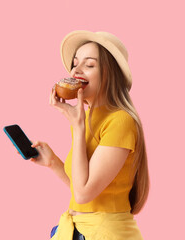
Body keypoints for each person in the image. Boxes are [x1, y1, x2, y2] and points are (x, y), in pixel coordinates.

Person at [30, 30, 150, 240]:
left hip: (106, 233)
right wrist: (52, 162)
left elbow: (84, 194)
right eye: (75, 64)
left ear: (110, 74)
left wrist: (78, 127)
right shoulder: (86, 119)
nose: (77, 70)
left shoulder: (120, 121)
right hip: (77, 229)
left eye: (90, 65)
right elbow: (83, 190)